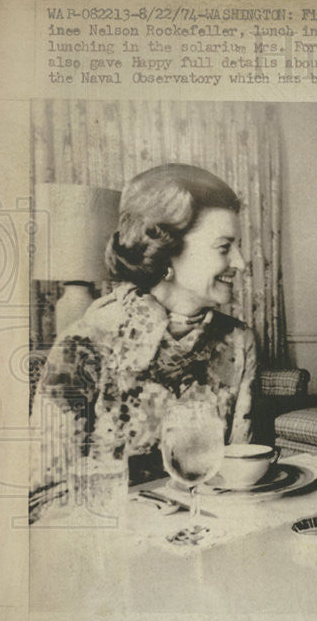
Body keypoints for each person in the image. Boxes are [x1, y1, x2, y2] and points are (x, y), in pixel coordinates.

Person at [30, 163, 257, 521]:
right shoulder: (85, 344)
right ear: (166, 254)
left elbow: (238, 472)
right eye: (224, 247)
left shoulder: (237, 340)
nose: (241, 263)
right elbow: (40, 500)